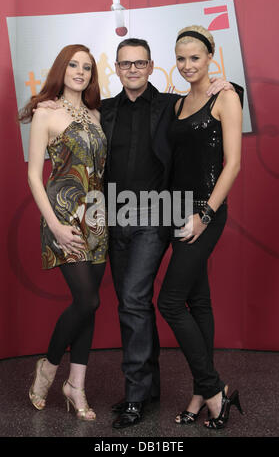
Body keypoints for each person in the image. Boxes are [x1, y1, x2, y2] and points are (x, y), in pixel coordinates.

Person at [37, 38, 242, 429]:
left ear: (151, 67)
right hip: (112, 216)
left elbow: (207, 103)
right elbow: (70, 115)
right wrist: (47, 103)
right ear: (116, 68)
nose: (132, 70)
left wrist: (230, 86)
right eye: (125, 64)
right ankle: (149, 390)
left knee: (132, 300)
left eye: (140, 63)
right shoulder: (104, 111)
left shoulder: (170, 105)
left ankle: (134, 397)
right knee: (135, 305)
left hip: (154, 216)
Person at [157, 25, 243, 430]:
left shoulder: (225, 96)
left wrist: (204, 214)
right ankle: (199, 393)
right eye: (181, 58)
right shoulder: (177, 105)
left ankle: (214, 389)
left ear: (211, 57)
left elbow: (233, 164)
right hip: (176, 210)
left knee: (170, 303)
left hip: (203, 212)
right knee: (198, 302)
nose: (188, 65)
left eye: (195, 57)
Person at [19, 44, 108, 421]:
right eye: (73, 65)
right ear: (61, 68)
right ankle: (48, 368)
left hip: (98, 218)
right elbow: (33, 177)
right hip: (63, 216)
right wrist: (54, 225)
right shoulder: (46, 112)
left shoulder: (95, 114)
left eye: (87, 67)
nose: (80, 72)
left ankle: (76, 387)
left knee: (89, 310)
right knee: (86, 301)